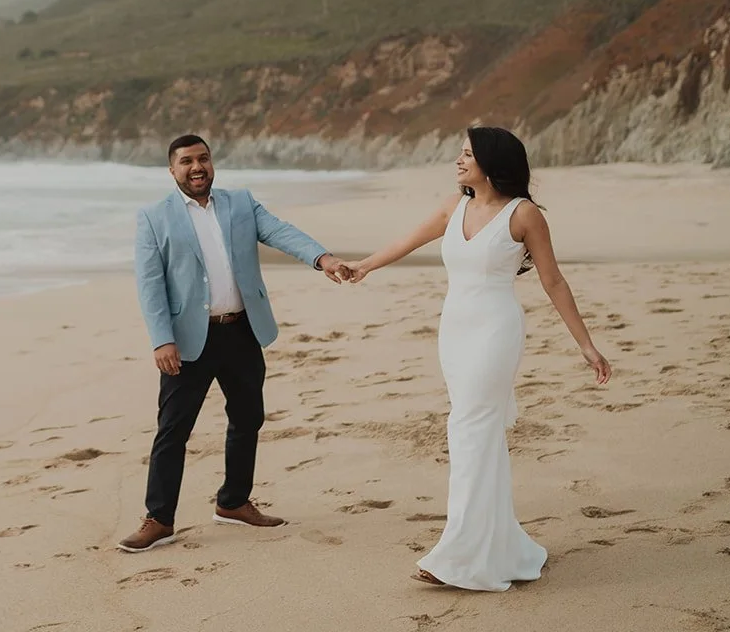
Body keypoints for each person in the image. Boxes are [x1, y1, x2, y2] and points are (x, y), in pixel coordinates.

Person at [348, 126, 611, 590]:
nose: (458, 160)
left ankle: (458, 552)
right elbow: (410, 240)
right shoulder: (455, 206)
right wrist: (365, 265)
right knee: (481, 434)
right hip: (454, 330)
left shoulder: (524, 215)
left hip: (495, 330)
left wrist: (586, 345)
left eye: (467, 154)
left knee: (467, 427)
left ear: (492, 162)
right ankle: (503, 546)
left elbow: (554, 282)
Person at [118, 134, 355, 553]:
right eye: (187, 161)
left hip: (243, 330)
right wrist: (161, 340)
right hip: (189, 339)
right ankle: (158, 518)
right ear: (172, 170)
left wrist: (323, 259)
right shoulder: (154, 217)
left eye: (203, 159)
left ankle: (233, 502)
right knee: (173, 430)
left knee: (248, 419)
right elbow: (150, 284)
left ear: (212, 163)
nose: (197, 167)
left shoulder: (241, 203)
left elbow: (282, 232)